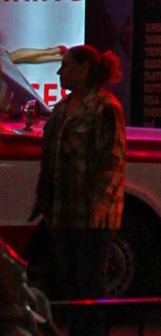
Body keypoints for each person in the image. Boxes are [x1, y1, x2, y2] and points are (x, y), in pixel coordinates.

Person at [30, 47, 125, 324]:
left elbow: (112, 162)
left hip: (91, 215)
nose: (60, 72)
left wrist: (99, 206)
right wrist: (43, 201)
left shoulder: (105, 107)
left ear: (84, 69)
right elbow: (49, 161)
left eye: (66, 65)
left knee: (89, 282)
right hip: (62, 210)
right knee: (68, 281)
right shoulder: (61, 109)